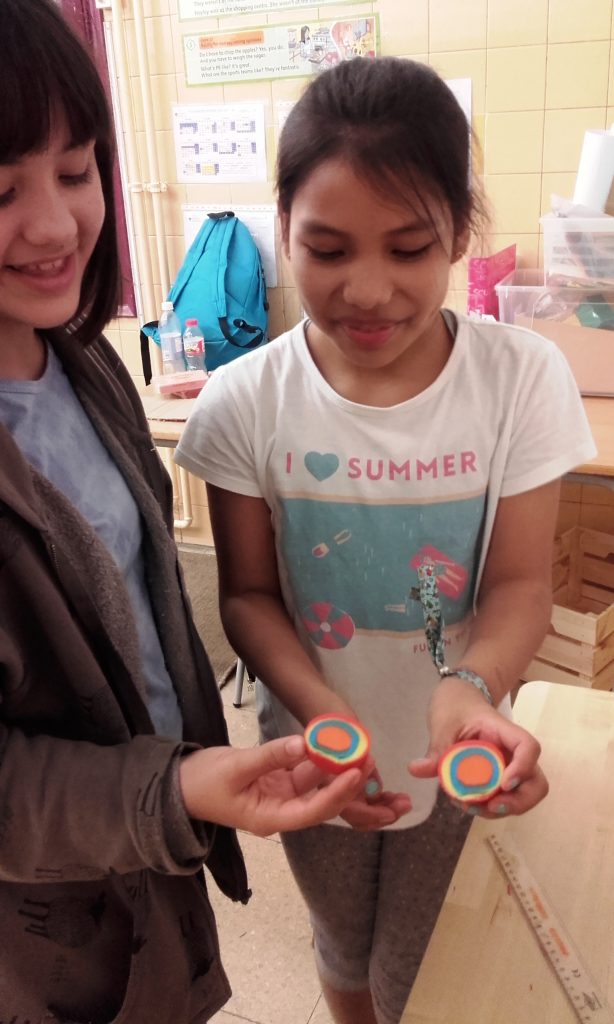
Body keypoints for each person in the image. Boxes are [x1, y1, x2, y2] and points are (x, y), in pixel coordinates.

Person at [175, 56, 597, 1024]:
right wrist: (321, 708)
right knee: (341, 941)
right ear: (282, 226)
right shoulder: (245, 400)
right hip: (312, 740)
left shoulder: (518, 378)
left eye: (408, 249)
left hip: (458, 740)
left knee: (419, 961)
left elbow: (520, 583)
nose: (368, 290)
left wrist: (472, 686)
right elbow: (247, 594)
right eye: (327, 250)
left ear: (459, 233)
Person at [0, 2, 374, 1021]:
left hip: (147, 871)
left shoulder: (83, 366)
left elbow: (141, 616)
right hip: (39, 933)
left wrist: (188, 780)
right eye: (1, 190)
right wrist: (173, 790)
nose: (54, 225)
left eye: (75, 171)